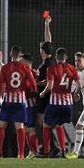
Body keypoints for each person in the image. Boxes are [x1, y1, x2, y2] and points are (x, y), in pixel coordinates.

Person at [0, 46, 37, 159]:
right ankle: (21, 153)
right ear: (20, 55)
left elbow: (0, 85)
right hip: (20, 101)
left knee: (2, 126)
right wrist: (34, 91)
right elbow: (32, 82)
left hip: (8, 101)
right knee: (20, 127)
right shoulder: (25, 67)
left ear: (10, 54)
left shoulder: (5, 68)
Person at [39, 48, 82, 158]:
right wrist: (76, 94)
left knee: (46, 124)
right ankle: (63, 150)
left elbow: (50, 86)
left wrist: (43, 93)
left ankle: (46, 151)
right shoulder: (72, 69)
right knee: (59, 125)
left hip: (55, 103)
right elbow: (79, 86)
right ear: (66, 57)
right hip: (68, 104)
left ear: (56, 57)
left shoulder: (51, 69)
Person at [36, 16, 65, 156]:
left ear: (42, 51)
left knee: (43, 122)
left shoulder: (47, 65)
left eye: (41, 48)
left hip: (46, 95)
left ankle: (51, 148)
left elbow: (48, 82)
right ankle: (55, 148)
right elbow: (48, 41)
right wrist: (47, 25)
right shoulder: (51, 60)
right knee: (49, 123)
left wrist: (36, 83)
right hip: (52, 96)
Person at [21, 53, 39, 159]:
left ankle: (34, 151)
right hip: (25, 103)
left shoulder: (32, 72)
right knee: (27, 129)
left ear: (27, 62)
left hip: (30, 103)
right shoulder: (30, 72)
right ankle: (32, 151)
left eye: (22, 60)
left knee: (30, 128)